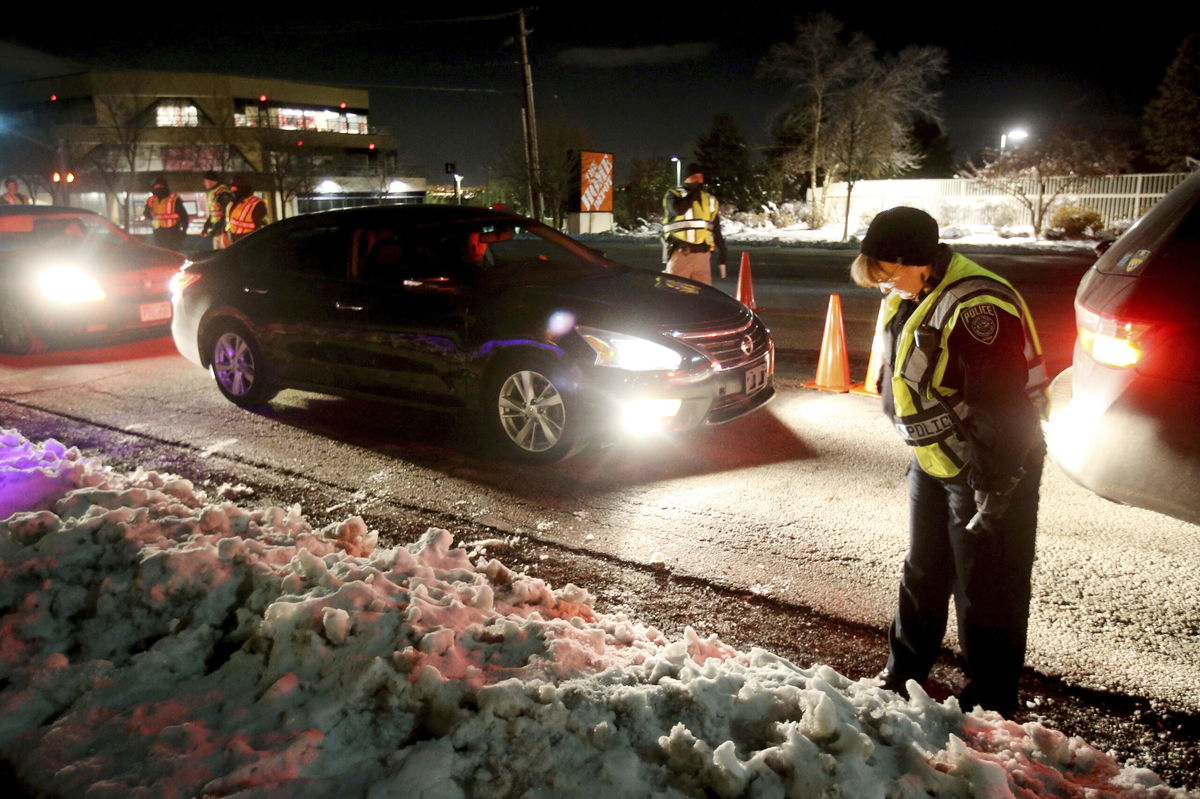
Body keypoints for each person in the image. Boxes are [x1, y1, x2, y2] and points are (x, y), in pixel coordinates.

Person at [850, 206, 1048, 717]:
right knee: (923, 571)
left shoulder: (977, 304)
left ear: (913, 259)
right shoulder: (917, 291)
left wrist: (996, 486)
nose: (884, 285)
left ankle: (991, 704)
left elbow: (1002, 408)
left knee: (987, 589)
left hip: (990, 466)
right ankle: (903, 674)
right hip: (937, 461)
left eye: (887, 273)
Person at [661, 163, 726, 285]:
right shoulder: (673, 195)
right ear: (686, 178)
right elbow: (678, 210)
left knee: (702, 296)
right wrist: (692, 194)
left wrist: (722, 250)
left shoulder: (709, 199)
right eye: (695, 177)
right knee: (675, 294)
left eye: (700, 177)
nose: (699, 181)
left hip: (702, 256)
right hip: (681, 253)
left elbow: (714, 227)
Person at [143, 176, 189, 251]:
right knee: (162, 253)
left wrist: (183, 231)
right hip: (159, 231)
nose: (159, 188)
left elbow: (184, 216)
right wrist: (153, 220)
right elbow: (146, 213)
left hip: (173, 231)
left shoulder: (174, 199)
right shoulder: (151, 200)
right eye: (156, 186)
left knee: (173, 253)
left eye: (161, 186)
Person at [226, 178, 269, 243]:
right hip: (235, 242)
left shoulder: (256, 203)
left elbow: (261, 224)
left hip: (251, 241)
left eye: (234, 188)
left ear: (243, 189)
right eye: (231, 188)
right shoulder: (232, 203)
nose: (232, 191)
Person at [200, 171, 233, 249]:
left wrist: (223, 231)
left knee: (225, 255)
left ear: (211, 180)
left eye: (205, 181)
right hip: (217, 231)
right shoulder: (212, 193)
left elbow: (226, 213)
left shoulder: (223, 193)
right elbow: (213, 213)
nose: (204, 183)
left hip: (223, 232)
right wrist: (206, 228)